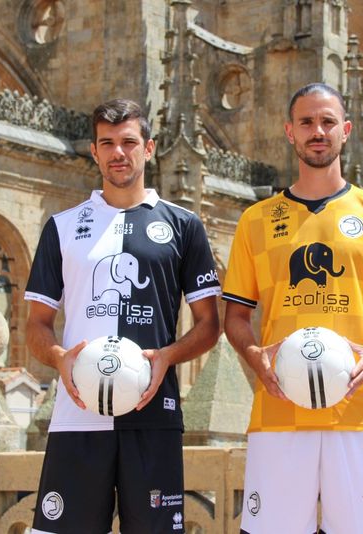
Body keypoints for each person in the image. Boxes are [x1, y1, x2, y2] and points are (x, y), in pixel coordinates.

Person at [222, 83, 363, 534]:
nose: (318, 131)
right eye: (307, 122)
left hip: (361, 409)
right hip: (278, 410)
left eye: (328, 122)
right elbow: (235, 317)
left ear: (345, 130)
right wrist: (255, 357)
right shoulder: (255, 221)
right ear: (289, 132)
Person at [25, 98, 221, 534]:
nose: (119, 153)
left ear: (148, 149)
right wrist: (58, 356)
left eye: (129, 142)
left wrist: (167, 356)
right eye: (107, 143)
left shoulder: (184, 225)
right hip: (77, 415)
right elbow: (36, 324)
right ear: (94, 151)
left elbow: (209, 324)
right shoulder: (61, 226)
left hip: (153, 413)